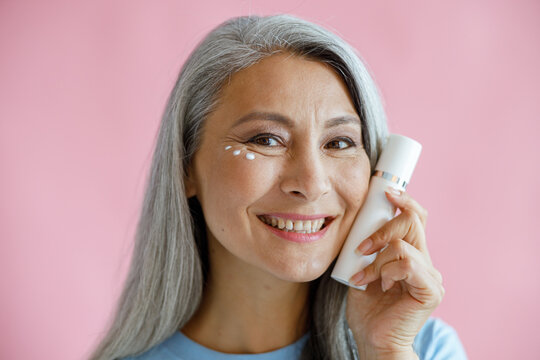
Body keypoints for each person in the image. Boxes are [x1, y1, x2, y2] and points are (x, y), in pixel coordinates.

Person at [88, 14, 467, 360]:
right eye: (267, 140)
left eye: (338, 143)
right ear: (186, 166)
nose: (312, 184)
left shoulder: (422, 349)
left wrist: (383, 351)